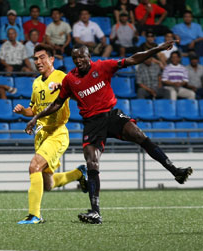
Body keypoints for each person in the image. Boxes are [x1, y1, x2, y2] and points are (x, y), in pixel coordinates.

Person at [25, 42, 193, 224]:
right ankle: (95, 212)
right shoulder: (69, 80)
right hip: (92, 124)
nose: (79, 60)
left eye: (82, 56)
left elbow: (133, 59)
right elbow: (57, 103)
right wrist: (36, 117)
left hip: (111, 116)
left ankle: (175, 171)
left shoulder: (103, 67)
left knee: (140, 136)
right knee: (92, 163)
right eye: (75, 58)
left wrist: (158, 49)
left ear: (89, 56)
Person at [12, 44, 87, 224]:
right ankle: (78, 173)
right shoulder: (37, 82)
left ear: (52, 59)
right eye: (36, 58)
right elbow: (35, 109)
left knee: (33, 166)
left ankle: (34, 215)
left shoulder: (61, 76)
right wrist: (24, 111)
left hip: (57, 133)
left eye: (42, 57)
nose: (38, 61)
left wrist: (61, 86)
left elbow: (77, 91)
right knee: (49, 184)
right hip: (41, 135)